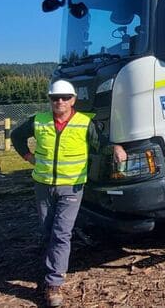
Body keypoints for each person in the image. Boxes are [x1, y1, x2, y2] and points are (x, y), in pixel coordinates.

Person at [12, 79, 126, 307]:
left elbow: (100, 144)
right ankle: (46, 268)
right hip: (43, 185)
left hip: (72, 187)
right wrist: (28, 157)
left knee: (62, 232)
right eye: (55, 98)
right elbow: (16, 136)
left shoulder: (84, 123)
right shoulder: (39, 121)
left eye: (65, 97)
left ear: (73, 100)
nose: (60, 101)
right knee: (47, 231)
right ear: (50, 100)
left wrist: (116, 147)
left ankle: (54, 284)